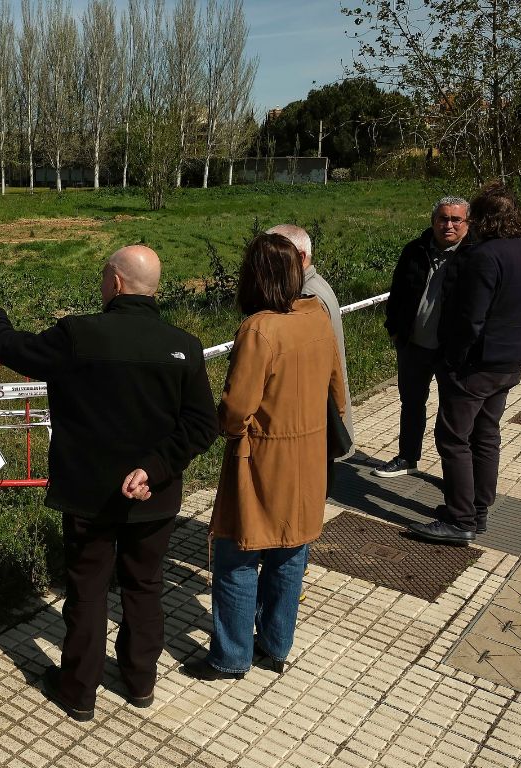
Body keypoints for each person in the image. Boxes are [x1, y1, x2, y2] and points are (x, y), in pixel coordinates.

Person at [0, 245, 217, 720]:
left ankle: (78, 691)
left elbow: (16, 349)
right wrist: (154, 467)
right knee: (144, 586)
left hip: (88, 497)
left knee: (86, 592)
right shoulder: (183, 346)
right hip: (155, 497)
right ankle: (140, 681)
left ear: (117, 283)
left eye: (105, 275)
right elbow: (202, 424)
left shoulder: (79, 334)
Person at [183, 233, 346, 681]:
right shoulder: (318, 318)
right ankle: (275, 645)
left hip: (261, 456)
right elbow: (338, 391)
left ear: (254, 277)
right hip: (309, 455)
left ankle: (231, 656)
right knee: (291, 551)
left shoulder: (260, 328)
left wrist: (226, 427)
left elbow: (237, 408)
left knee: (237, 555)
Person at [409, 185, 521, 544]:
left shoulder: (482, 257)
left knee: (453, 437)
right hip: (510, 361)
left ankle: (460, 519)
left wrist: (453, 361)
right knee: (486, 435)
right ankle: (478, 510)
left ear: (481, 220)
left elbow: (470, 319)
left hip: (475, 366)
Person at [374, 197, 471, 478]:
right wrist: (394, 329)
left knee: (453, 413)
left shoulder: (475, 255)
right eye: (443, 218)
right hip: (413, 345)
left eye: (456, 219)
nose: (448, 225)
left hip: (451, 350)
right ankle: (407, 457)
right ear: (433, 221)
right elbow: (397, 293)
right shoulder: (415, 251)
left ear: (467, 223)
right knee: (412, 403)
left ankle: (455, 473)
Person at [266, 224, 353, 447]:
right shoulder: (312, 286)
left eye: (274, 254)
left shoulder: (307, 296)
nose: (266, 262)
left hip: (315, 418)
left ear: (300, 256)